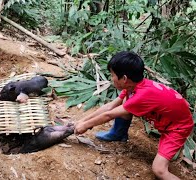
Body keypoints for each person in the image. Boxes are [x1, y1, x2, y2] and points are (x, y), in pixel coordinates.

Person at [74, 51, 194, 179]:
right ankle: (119, 134)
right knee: (125, 103)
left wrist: (85, 125)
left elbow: (109, 115)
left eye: (112, 75)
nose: (111, 78)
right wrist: (82, 121)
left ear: (124, 78)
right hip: (168, 120)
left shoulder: (142, 96)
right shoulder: (133, 87)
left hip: (177, 128)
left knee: (159, 170)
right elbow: (110, 107)